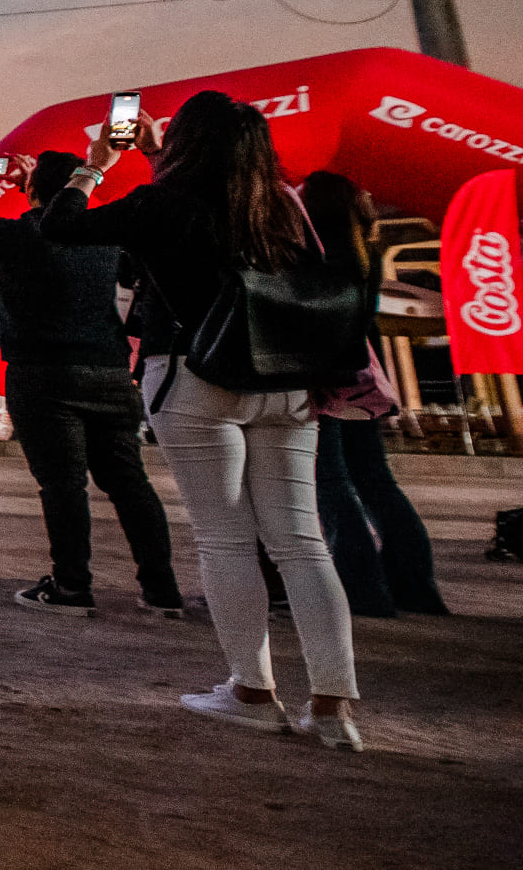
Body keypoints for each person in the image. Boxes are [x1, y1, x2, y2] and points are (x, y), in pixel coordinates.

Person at [40, 93, 366, 749]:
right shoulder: (282, 206)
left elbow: (60, 226)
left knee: (225, 540)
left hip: (197, 378)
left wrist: (97, 163)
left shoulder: (160, 205)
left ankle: (252, 691)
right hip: (286, 383)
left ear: (182, 145)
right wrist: (159, 155)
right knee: (302, 543)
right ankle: (334, 710)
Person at [0, 148, 187, 620]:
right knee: (130, 483)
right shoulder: (104, 238)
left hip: (42, 374)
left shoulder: (14, 234)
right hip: (109, 371)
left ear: (32, 192)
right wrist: (38, 189)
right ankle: (162, 590)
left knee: (63, 484)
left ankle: (72, 585)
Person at [301, 172, 447, 618]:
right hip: (362, 377)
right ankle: (416, 587)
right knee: (375, 479)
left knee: (330, 481)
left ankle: (363, 589)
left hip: (324, 378)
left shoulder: (313, 254)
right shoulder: (366, 250)